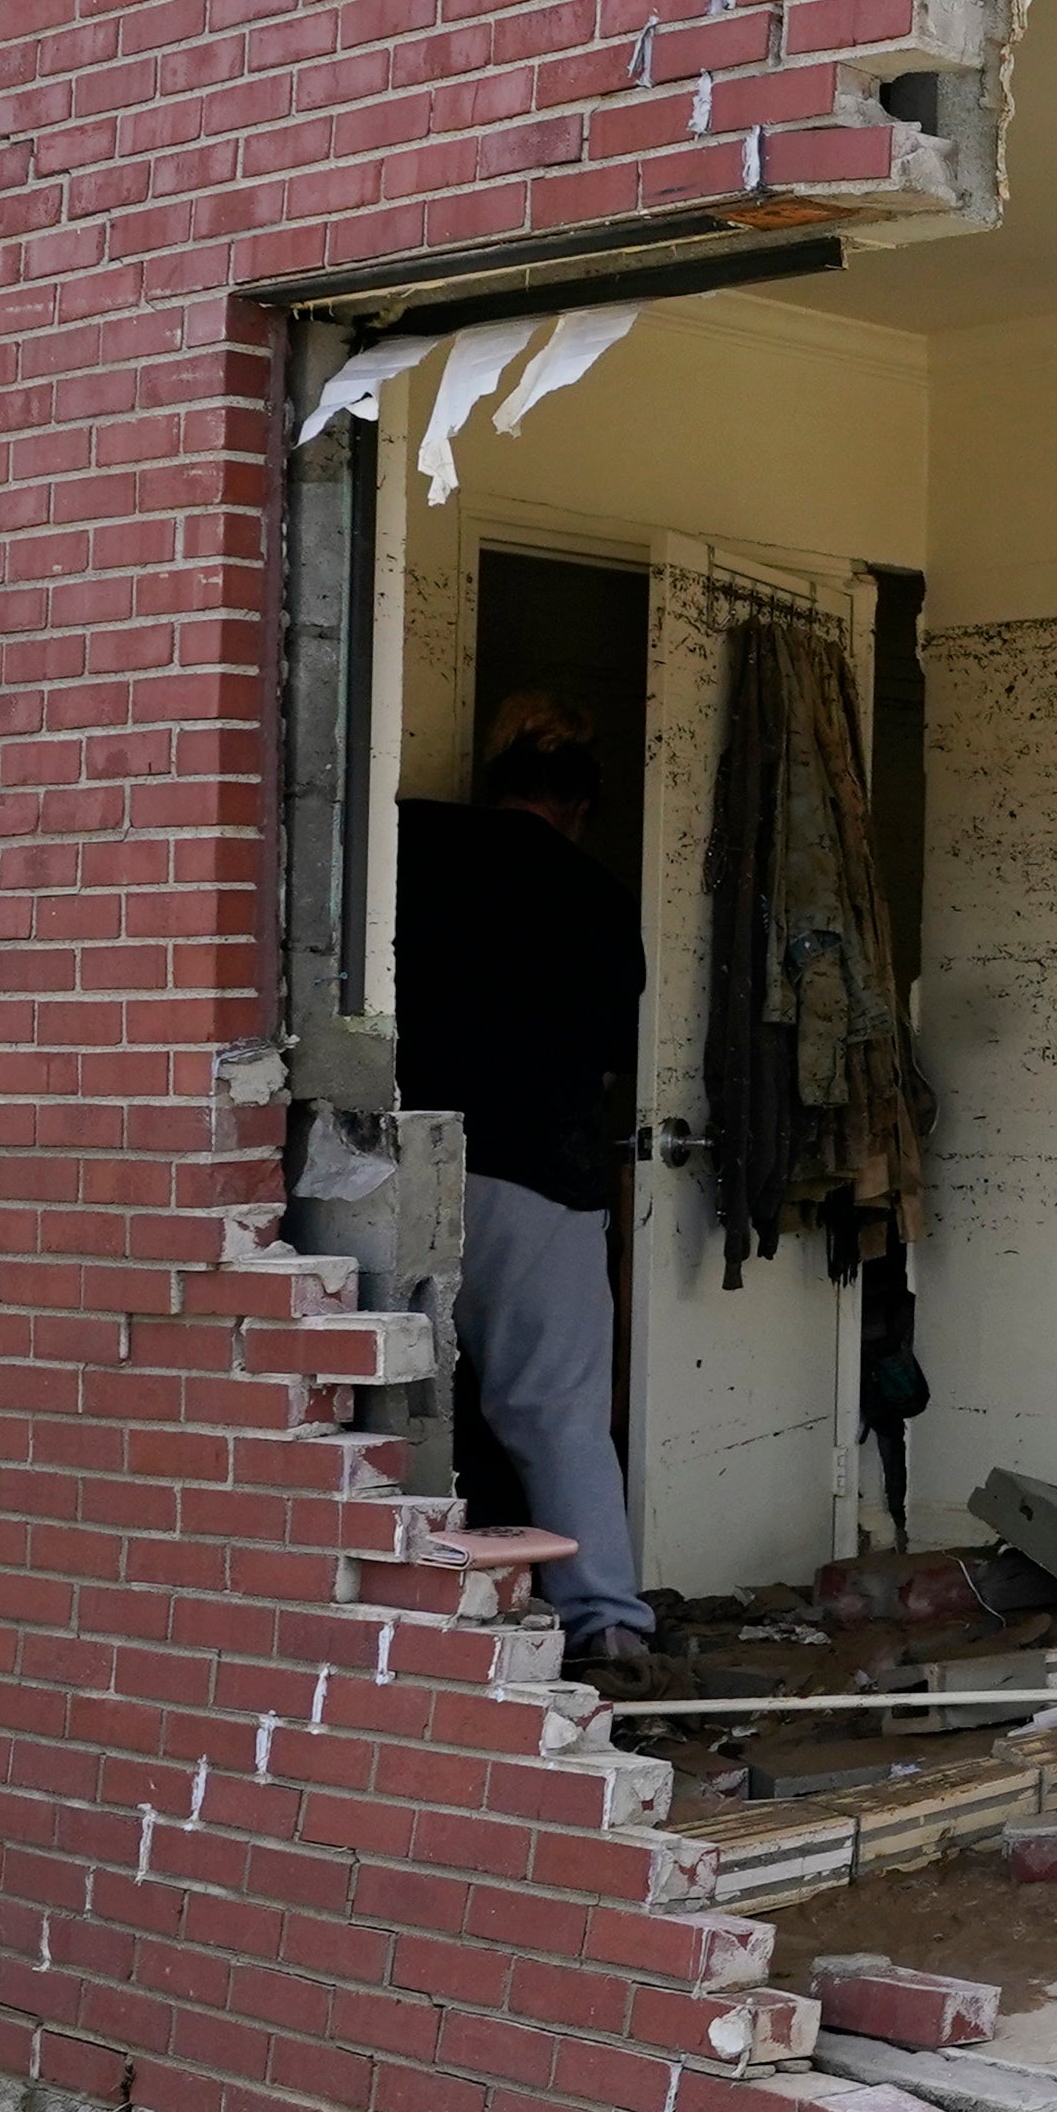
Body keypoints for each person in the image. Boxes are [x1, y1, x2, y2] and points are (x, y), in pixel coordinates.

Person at [395, 700, 661, 1683]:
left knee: (393, 1400)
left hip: (407, 1159)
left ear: (492, 782)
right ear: (582, 809)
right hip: (542, 1181)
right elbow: (604, 1066)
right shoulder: (598, 897)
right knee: (556, 1413)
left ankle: (412, 1610)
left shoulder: (415, 839)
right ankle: (606, 1627)